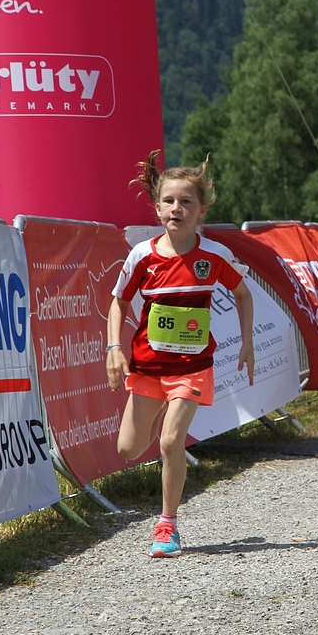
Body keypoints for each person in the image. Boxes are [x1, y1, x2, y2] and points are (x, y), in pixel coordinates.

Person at [106, 151, 255, 559]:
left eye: (186, 201)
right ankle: (161, 411)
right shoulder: (142, 255)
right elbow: (119, 302)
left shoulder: (214, 256)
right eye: (169, 201)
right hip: (149, 367)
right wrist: (114, 347)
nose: (177, 208)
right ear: (157, 209)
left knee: (171, 441)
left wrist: (247, 342)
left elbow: (243, 294)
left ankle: (167, 525)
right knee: (128, 449)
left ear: (201, 210)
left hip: (193, 367)